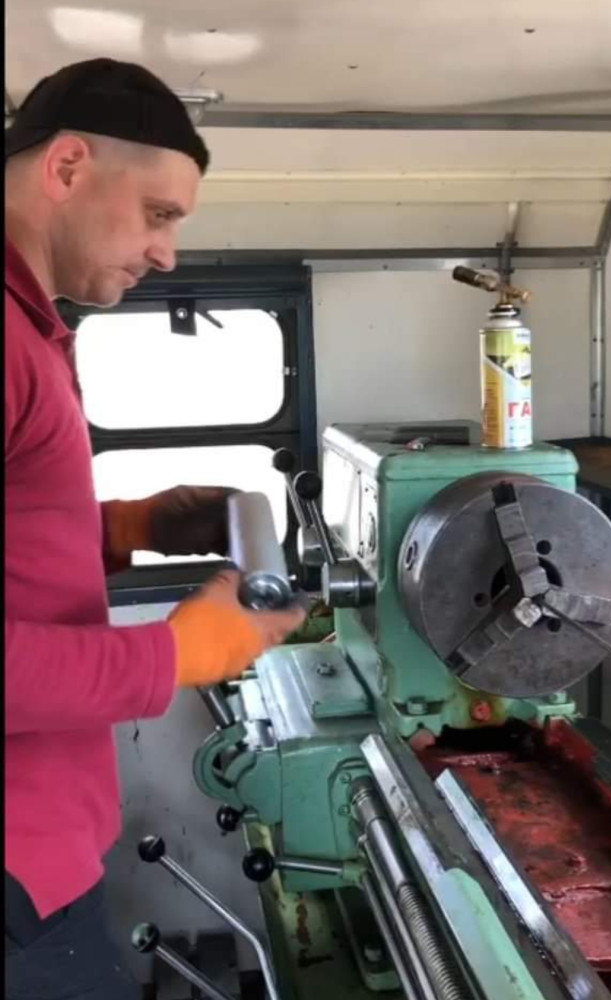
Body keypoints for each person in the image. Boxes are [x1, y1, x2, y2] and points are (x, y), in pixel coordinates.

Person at [5, 58, 306, 1000]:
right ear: (67, 166)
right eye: (158, 214)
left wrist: (123, 528)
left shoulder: (32, 328)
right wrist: (170, 656)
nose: (167, 254)